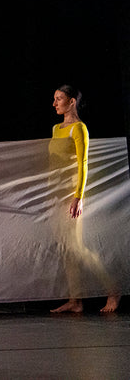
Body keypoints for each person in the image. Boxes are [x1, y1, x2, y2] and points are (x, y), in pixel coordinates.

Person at [48, 86, 120, 314]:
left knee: (77, 248)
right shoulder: (55, 128)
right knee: (66, 250)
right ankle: (75, 300)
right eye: (54, 99)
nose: (54, 103)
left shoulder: (80, 128)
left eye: (59, 99)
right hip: (57, 196)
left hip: (72, 196)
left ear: (71, 102)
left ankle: (113, 289)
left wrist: (78, 196)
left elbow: (83, 163)